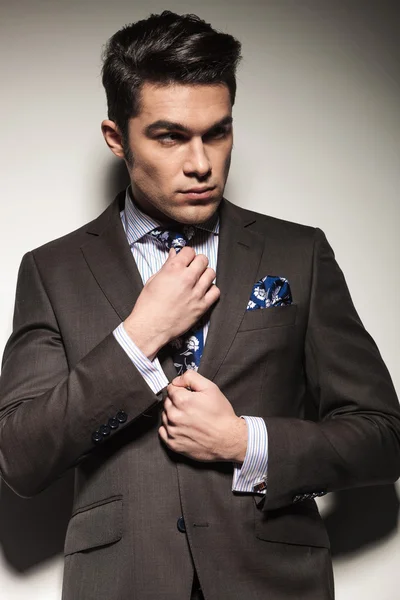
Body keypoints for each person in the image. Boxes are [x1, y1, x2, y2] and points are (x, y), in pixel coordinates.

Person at [0, 10, 399, 600]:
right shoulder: (51, 270)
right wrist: (138, 338)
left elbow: (382, 436)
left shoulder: (298, 252)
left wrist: (246, 443)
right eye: (169, 136)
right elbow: (20, 458)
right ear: (116, 138)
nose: (201, 164)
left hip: (272, 583)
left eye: (217, 132)